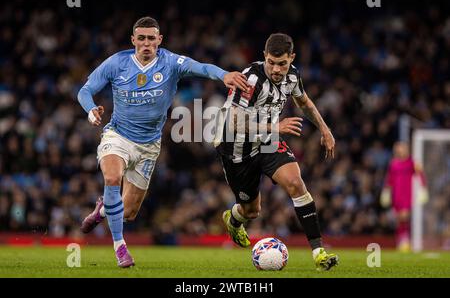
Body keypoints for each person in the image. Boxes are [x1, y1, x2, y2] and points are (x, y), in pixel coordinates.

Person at [77, 16, 249, 268]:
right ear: (133, 40)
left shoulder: (170, 62)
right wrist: (91, 110)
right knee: (112, 179)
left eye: (151, 38)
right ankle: (120, 248)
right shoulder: (117, 63)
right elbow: (84, 90)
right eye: (141, 38)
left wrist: (223, 75)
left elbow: (202, 67)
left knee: (128, 212)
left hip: (149, 146)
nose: (146, 43)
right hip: (118, 136)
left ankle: (102, 210)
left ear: (159, 40)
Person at [214, 33, 339, 271]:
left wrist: (324, 129)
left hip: (268, 141)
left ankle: (319, 252)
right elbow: (236, 124)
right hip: (237, 149)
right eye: (271, 62)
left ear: (291, 58)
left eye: (282, 63)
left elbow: (305, 102)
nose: (276, 69)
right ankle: (234, 219)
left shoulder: (293, 76)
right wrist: (277, 126)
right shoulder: (250, 79)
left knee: (295, 183)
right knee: (252, 211)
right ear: (264, 57)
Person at [380, 141, 428, 252]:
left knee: (404, 216)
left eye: (401, 148)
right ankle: (401, 241)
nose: (399, 151)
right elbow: (390, 179)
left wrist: (423, 188)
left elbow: (420, 174)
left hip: (407, 193)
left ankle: (405, 240)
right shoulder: (393, 163)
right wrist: (386, 192)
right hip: (396, 194)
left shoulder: (412, 162)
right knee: (399, 219)